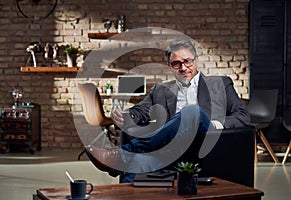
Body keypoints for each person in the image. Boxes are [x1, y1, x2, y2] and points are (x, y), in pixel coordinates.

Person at [85, 39, 250, 182]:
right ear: (170, 66)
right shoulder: (161, 90)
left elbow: (243, 116)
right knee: (133, 164)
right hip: (169, 151)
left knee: (193, 112)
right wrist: (128, 116)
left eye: (188, 61)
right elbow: (141, 110)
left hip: (206, 145)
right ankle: (124, 158)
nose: (183, 68)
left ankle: (124, 151)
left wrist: (215, 124)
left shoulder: (220, 84)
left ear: (196, 61)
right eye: (177, 64)